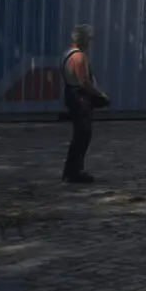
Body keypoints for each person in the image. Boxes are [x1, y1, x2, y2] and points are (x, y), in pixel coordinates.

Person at [61, 24, 103, 183]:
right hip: (79, 98)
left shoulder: (67, 54)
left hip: (71, 94)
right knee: (83, 135)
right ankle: (75, 171)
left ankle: (70, 170)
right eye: (88, 39)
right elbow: (84, 81)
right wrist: (100, 95)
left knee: (79, 135)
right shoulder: (79, 57)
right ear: (83, 40)